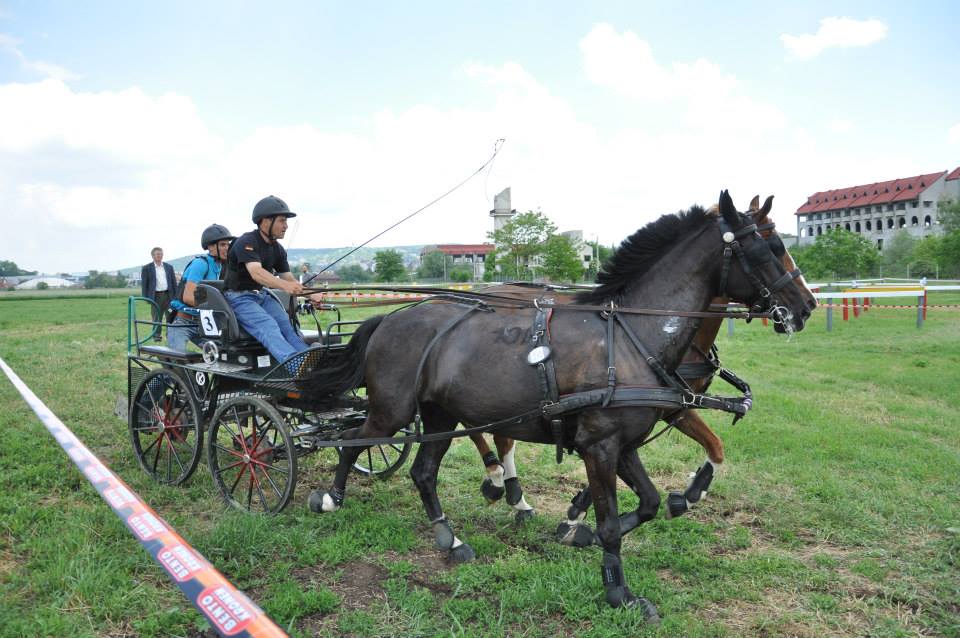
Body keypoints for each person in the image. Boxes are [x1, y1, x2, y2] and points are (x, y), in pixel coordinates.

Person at [223, 195, 310, 366]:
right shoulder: (247, 241)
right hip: (239, 298)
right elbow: (257, 273)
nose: (286, 226)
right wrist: (286, 286)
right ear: (265, 221)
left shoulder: (277, 249)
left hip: (261, 296)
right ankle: (296, 366)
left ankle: (310, 361)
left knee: (289, 328)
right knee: (269, 326)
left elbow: (288, 277)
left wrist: (311, 295)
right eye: (282, 221)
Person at [167, 224, 235, 351]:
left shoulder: (219, 266)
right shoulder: (200, 264)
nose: (227, 248)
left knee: (224, 354)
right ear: (210, 247)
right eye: (222, 245)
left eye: (228, 244)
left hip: (204, 322)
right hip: (183, 322)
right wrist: (219, 307)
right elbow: (188, 297)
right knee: (177, 360)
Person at [141, 247, 177, 342]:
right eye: (157, 254)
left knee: (171, 315)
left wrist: (176, 296)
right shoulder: (146, 268)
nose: (159, 256)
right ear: (153, 256)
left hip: (168, 296)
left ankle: (170, 335)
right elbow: (144, 284)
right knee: (157, 317)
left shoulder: (169, 267)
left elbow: (173, 282)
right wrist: (146, 298)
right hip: (155, 297)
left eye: (161, 254)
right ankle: (157, 336)